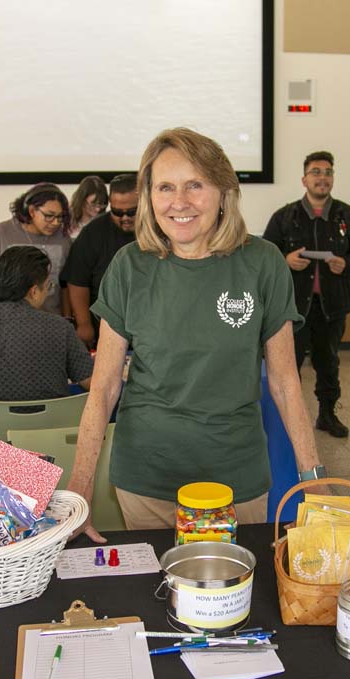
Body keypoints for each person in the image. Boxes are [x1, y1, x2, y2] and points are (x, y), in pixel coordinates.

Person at [65, 127, 325, 542]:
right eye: (165, 187)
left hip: (235, 477)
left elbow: (285, 381)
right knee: (155, 595)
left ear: (224, 191)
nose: (179, 202)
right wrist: (80, 488)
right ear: (149, 197)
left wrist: (314, 480)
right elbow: (105, 386)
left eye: (195, 185)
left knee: (231, 596)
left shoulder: (262, 263)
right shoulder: (128, 266)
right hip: (145, 478)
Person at [263, 151, 350, 438]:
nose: (322, 177)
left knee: (329, 362)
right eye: (316, 172)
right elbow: (265, 253)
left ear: (332, 179)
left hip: (332, 306)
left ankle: (326, 414)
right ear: (304, 179)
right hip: (293, 308)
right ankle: (288, 416)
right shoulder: (285, 216)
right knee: (289, 363)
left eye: (327, 172)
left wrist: (346, 264)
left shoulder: (348, 216)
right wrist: (285, 260)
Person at [0, 246, 94, 401]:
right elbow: (90, 381)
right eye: (48, 286)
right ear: (34, 292)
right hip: (48, 424)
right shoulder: (59, 327)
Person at [0, 183, 71, 317]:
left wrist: (68, 319)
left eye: (60, 217)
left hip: (50, 321)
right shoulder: (2, 232)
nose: (55, 223)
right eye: (49, 216)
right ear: (32, 211)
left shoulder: (62, 239)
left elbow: (65, 285)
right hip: (6, 321)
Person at [62, 173, 138, 347]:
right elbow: (77, 281)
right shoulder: (93, 232)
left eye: (131, 212)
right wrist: (83, 324)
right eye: (118, 212)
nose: (125, 218)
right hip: (105, 327)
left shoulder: (160, 227)